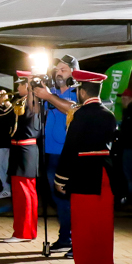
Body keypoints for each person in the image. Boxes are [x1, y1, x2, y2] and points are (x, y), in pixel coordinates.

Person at [54, 70, 116, 264]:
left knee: (84, 229)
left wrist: (61, 177)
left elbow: (70, 148)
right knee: (103, 228)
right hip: (105, 174)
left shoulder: (81, 114)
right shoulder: (109, 114)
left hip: (84, 174)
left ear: (81, 91)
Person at [34, 58, 79, 253]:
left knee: (70, 198)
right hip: (50, 152)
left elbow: (71, 109)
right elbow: (34, 111)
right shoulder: (50, 93)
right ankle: (65, 238)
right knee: (58, 199)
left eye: (64, 69)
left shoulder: (78, 92)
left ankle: (75, 241)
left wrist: (49, 97)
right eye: (57, 69)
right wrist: (33, 92)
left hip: (68, 154)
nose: (59, 73)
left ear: (74, 73)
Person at [4, 72, 42, 243]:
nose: (17, 87)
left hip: (25, 149)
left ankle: (23, 232)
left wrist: (31, 83)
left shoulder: (32, 102)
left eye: (20, 84)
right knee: (26, 193)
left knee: (24, 194)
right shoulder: (20, 102)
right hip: (22, 150)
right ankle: (27, 230)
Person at [0, 88, 15, 199]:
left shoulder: (6, 109)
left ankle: (7, 188)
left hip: (5, 142)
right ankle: (7, 188)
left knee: (0, 166)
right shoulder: (8, 109)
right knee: (1, 166)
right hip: (3, 142)